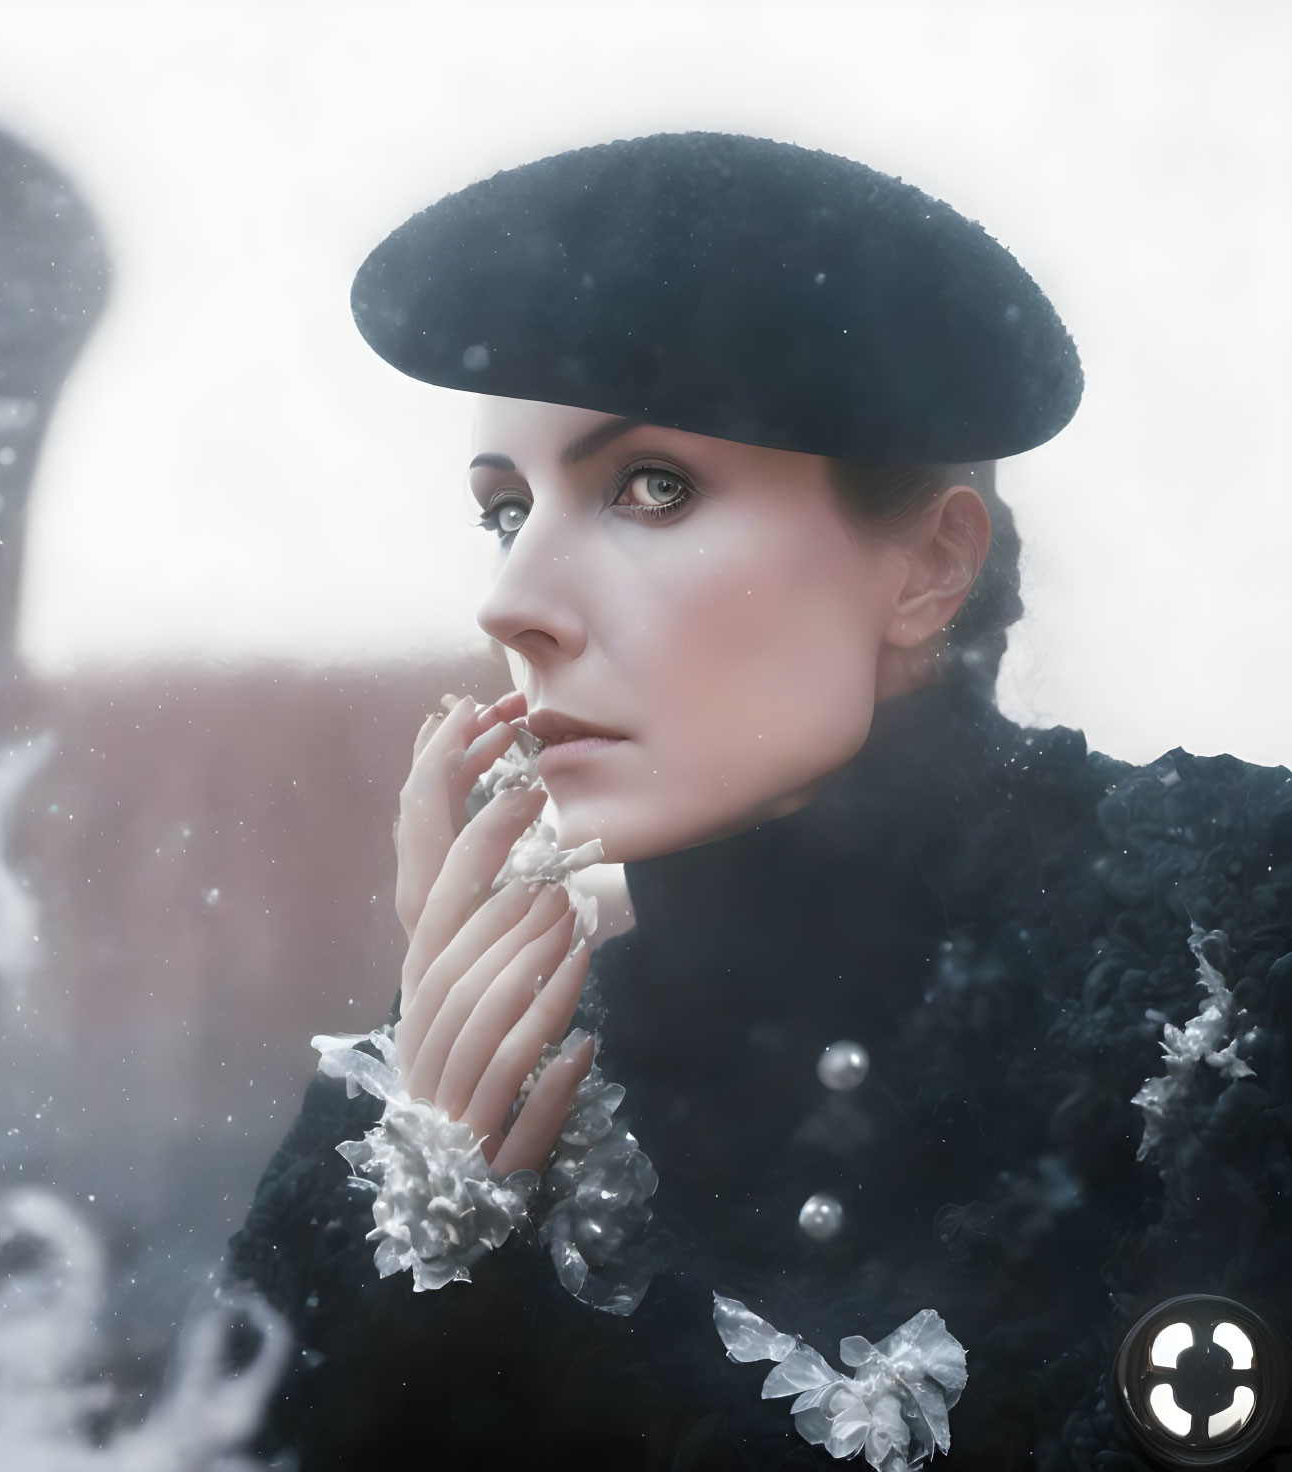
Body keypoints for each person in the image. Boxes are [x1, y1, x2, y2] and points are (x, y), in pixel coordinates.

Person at [225, 133, 1292, 1471]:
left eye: (648, 488)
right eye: (504, 512)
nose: (512, 601)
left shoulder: (1241, 928)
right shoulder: (463, 1076)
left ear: (926, 568)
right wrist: (435, 1209)